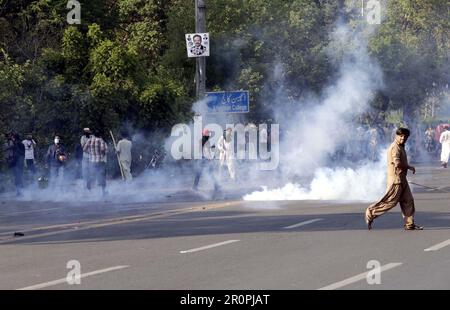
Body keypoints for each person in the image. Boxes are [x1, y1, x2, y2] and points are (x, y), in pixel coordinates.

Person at [365, 128, 423, 230]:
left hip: (402, 179)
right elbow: (397, 163)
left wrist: (407, 167)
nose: (403, 138)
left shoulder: (401, 147)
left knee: (408, 200)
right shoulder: (395, 147)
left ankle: (409, 224)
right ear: (396, 136)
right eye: (401, 136)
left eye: (405, 136)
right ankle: (371, 212)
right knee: (390, 202)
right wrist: (408, 167)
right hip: (396, 180)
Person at [192, 129, 220, 195]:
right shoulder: (205, 141)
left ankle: (194, 186)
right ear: (206, 135)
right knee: (210, 172)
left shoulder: (202, 140)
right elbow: (206, 150)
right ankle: (216, 186)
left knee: (199, 173)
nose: (209, 136)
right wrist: (210, 158)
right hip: (205, 159)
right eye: (208, 134)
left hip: (201, 159)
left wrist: (211, 147)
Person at [84, 129, 108, 196]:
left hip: (91, 161)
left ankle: (89, 191)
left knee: (91, 175)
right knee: (102, 176)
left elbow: (84, 149)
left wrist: (90, 153)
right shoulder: (101, 141)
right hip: (99, 161)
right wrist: (102, 154)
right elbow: (103, 149)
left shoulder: (89, 140)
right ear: (100, 135)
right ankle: (103, 192)